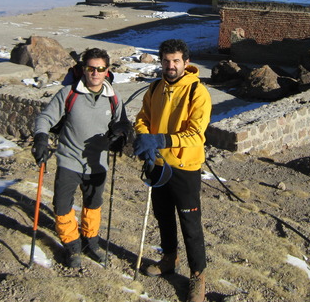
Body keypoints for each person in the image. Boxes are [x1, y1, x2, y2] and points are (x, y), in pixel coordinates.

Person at [32, 47, 130, 268]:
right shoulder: (69, 93)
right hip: (69, 159)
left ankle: (91, 242)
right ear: (84, 69)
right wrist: (40, 139)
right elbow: (45, 118)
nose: (95, 73)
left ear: (107, 71)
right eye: (91, 68)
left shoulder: (114, 97)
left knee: (93, 205)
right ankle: (72, 246)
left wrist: (121, 136)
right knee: (62, 205)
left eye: (100, 69)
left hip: (98, 163)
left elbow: (123, 123)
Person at [133, 38, 212, 302]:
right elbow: (143, 118)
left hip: (184, 166)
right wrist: (145, 138)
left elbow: (195, 134)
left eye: (176, 61)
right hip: (157, 164)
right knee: (163, 215)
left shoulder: (197, 92)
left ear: (186, 63)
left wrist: (162, 140)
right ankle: (169, 257)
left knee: (190, 224)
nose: (171, 66)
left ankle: (198, 276)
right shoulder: (155, 88)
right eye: (166, 61)